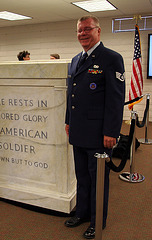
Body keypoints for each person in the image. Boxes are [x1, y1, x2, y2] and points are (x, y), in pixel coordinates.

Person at [64, 16, 125, 239]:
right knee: (82, 177)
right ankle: (82, 213)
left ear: (98, 31)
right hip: (78, 131)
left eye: (87, 29)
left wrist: (112, 131)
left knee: (98, 179)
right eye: (80, 30)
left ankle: (98, 220)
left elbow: (115, 99)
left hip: (100, 134)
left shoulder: (111, 58)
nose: (83, 33)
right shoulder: (75, 59)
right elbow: (71, 94)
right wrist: (68, 120)